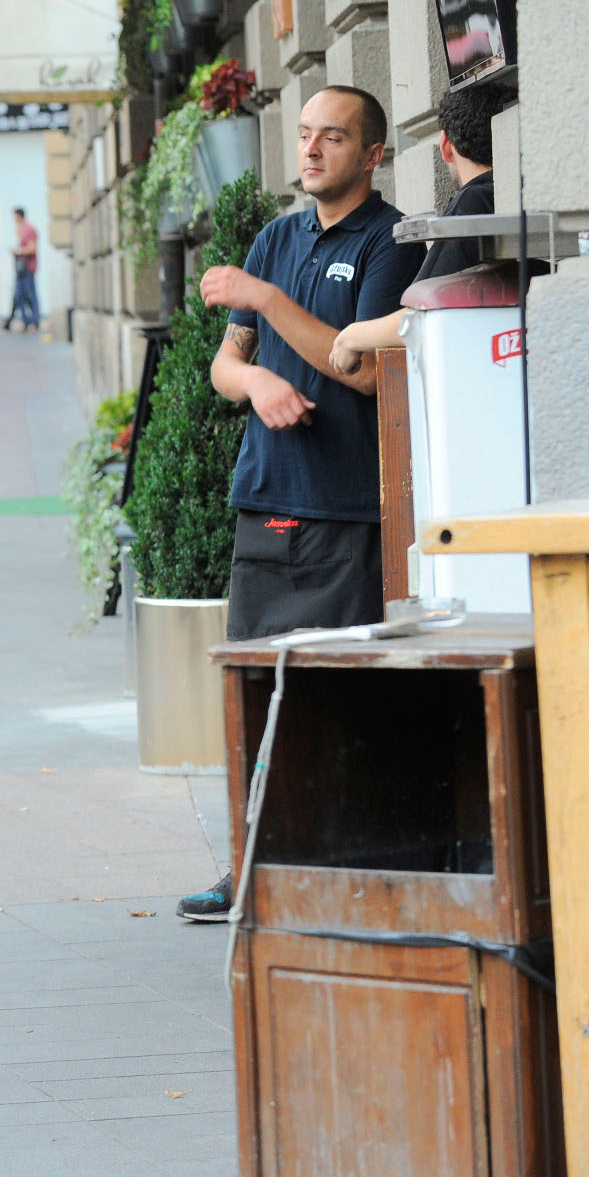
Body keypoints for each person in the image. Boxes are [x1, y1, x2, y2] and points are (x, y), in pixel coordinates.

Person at [175, 85, 427, 923]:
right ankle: (249, 867)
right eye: (306, 134)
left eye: (334, 137)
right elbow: (224, 366)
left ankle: (338, 865)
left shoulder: (390, 243)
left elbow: (358, 367)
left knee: (335, 696)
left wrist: (268, 301)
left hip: (348, 509)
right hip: (267, 497)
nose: (312, 150)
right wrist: (256, 380)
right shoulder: (275, 236)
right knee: (253, 691)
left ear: (373, 154)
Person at [325, 83, 508, 374]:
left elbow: (423, 311)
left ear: (446, 146)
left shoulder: (475, 200)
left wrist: (351, 337)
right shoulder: (516, 191)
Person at [5, 206, 41, 332]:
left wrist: (18, 250)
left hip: (28, 268)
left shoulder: (30, 229)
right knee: (19, 296)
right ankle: (26, 322)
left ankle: (35, 322)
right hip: (20, 269)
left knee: (31, 295)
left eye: (14, 216)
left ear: (19, 216)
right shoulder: (21, 230)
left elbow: (32, 248)